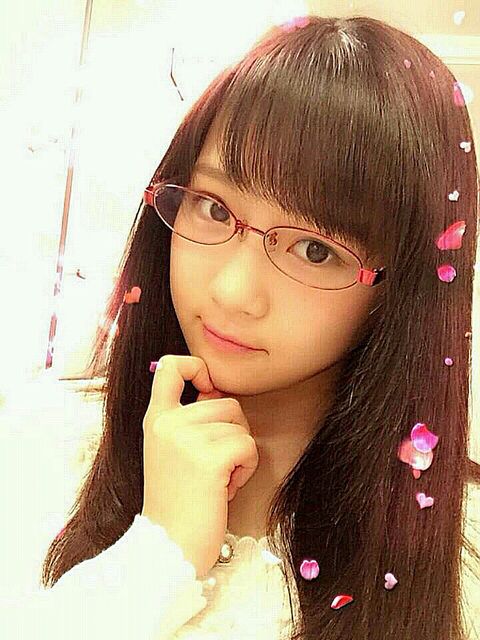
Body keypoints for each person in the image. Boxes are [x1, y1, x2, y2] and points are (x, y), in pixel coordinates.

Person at [1, 13, 480, 640]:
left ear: (403, 287)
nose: (232, 291)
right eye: (214, 208)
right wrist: (157, 558)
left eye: (314, 250)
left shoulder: (461, 553)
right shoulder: (42, 445)